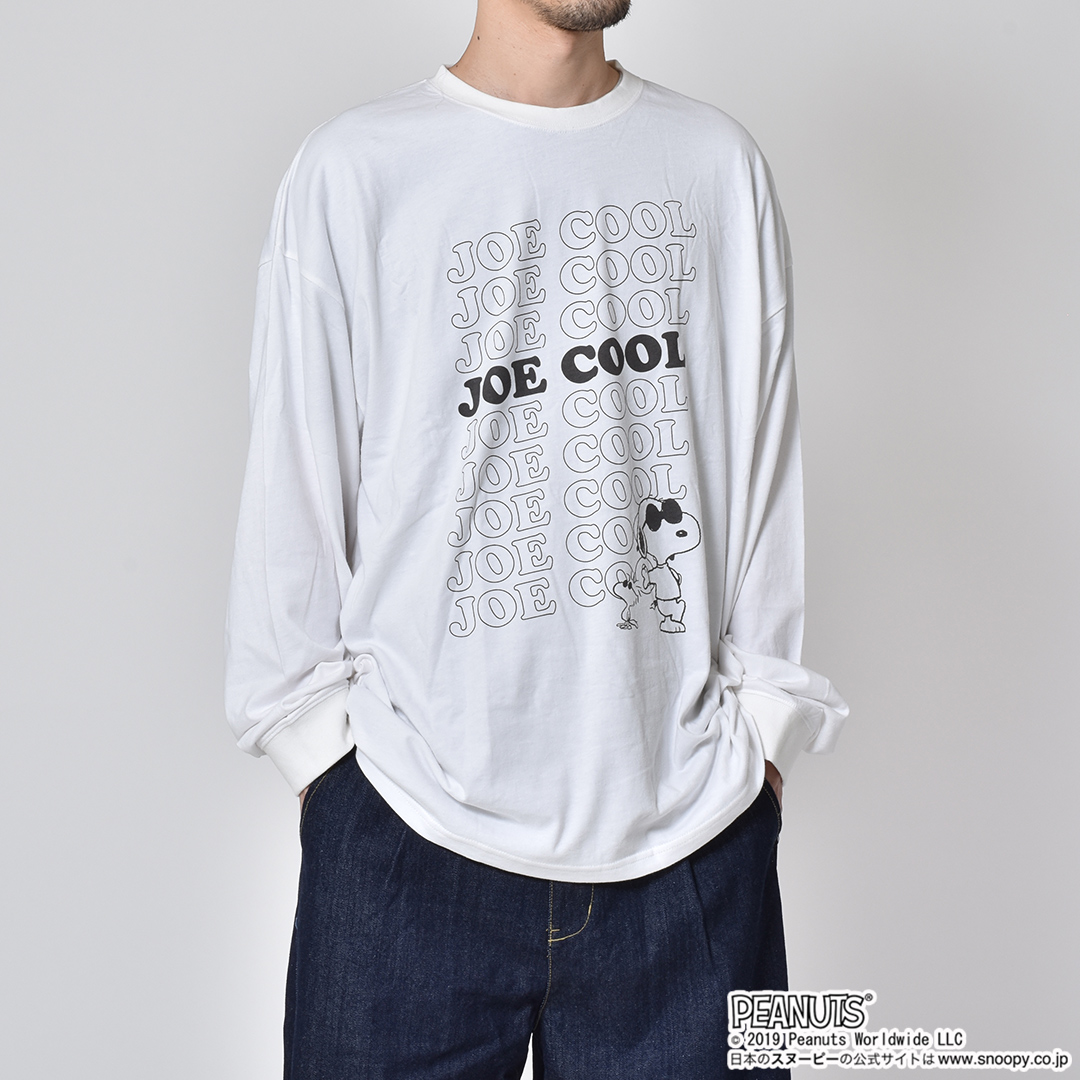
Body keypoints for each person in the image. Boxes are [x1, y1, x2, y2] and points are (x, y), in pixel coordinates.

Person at [225, 0, 849, 1075]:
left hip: (693, 849)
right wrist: (323, 763)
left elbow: (763, 463)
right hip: (405, 839)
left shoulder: (716, 165)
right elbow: (295, 488)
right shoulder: (355, 171)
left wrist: (766, 740)